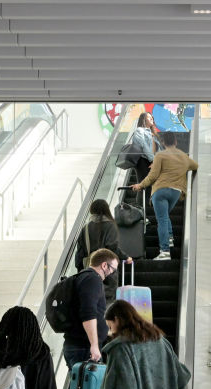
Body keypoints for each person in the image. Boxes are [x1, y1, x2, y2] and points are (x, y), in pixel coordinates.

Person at [62, 248, 119, 389]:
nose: (112, 273)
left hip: (78, 345)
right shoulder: (92, 280)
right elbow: (88, 313)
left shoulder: (82, 278)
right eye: (112, 268)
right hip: (83, 347)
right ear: (104, 265)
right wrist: (94, 345)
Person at [131, 131, 199, 260]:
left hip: (161, 191)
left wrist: (140, 185)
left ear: (162, 143)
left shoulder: (160, 155)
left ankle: (165, 251)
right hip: (176, 191)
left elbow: (153, 176)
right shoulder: (184, 156)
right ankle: (170, 238)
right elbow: (195, 166)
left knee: (161, 219)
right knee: (165, 215)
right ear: (175, 142)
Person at [73, 199, 132, 303]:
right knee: (107, 299)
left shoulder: (86, 228)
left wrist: (81, 271)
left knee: (91, 299)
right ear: (106, 210)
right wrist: (126, 257)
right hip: (107, 269)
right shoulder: (111, 225)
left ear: (92, 210)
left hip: (90, 269)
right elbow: (112, 248)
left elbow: (80, 254)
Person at [129, 111, 159, 183]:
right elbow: (143, 146)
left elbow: (157, 149)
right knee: (144, 186)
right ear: (143, 119)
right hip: (144, 161)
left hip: (152, 162)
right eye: (149, 117)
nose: (152, 119)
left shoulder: (152, 134)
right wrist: (153, 160)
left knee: (152, 186)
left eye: (152, 117)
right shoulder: (139, 130)